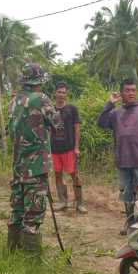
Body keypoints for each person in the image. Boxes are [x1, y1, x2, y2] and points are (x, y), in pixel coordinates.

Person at [7, 63, 60, 255]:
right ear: (39, 81)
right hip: (36, 167)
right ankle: (31, 261)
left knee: (17, 211)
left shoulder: (13, 101)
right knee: (33, 215)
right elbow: (57, 123)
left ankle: (12, 253)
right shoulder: (41, 99)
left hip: (18, 166)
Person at [97, 78, 138, 234]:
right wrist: (109, 104)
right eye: (127, 90)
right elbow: (101, 123)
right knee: (126, 193)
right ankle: (129, 222)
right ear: (121, 93)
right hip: (122, 159)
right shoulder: (116, 113)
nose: (131, 93)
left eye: (133, 90)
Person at [50, 81, 87, 213]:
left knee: (74, 175)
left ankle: (80, 203)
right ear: (55, 93)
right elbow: (48, 130)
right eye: (59, 92)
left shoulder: (72, 109)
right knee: (58, 175)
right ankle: (62, 201)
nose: (61, 95)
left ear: (67, 94)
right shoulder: (50, 110)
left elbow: (77, 128)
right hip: (54, 149)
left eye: (64, 92)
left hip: (69, 148)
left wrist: (76, 147)